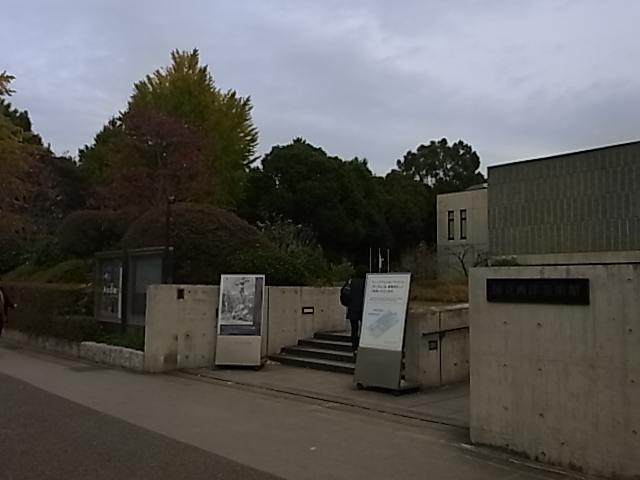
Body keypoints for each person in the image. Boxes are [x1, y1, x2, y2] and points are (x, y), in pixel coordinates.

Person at [341, 265, 368, 357]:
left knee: (354, 330)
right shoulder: (366, 282)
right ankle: (363, 345)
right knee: (364, 329)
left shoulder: (351, 281)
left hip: (352, 308)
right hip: (364, 309)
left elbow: (344, 292)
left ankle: (355, 348)